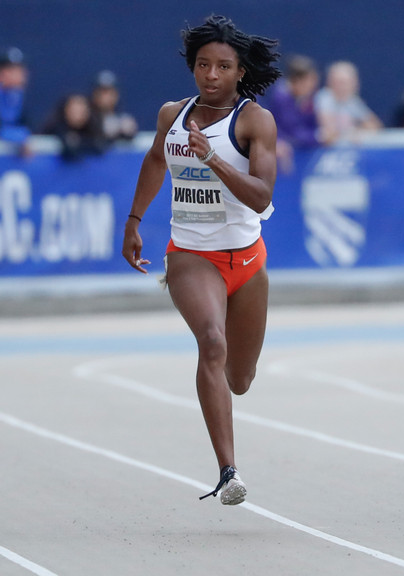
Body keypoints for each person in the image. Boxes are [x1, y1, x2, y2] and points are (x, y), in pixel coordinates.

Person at [122, 14, 280, 506]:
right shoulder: (172, 114)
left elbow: (260, 197)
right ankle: (228, 471)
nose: (211, 75)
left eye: (223, 66)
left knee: (241, 379)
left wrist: (210, 157)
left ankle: (231, 388)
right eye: (203, 64)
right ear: (193, 67)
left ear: (239, 72)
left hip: (248, 260)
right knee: (211, 343)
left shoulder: (254, 120)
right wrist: (134, 220)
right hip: (191, 255)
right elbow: (154, 160)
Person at [263, 54, 321, 172]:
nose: (313, 86)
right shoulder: (280, 97)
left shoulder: (307, 99)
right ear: (297, 81)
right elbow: (292, 133)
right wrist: (318, 137)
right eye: (310, 81)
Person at [315, 60, 382, 145]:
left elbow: (374, 125)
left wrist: (359, 132)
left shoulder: (352, 101)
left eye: (347, 82)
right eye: (340, 82)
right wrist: (351, 133)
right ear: (330, 82)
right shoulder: (324, 98)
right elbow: (330, 132)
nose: (344, 87)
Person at [42, 92, 107, 162]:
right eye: (74, 110)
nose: (78, 115)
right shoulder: (55, 126)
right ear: (66, 110)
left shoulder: (92, 127)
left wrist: (80, 141)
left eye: (81, 111)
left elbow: (99, 146)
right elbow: (69, 149)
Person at [89, 70, 138, 144]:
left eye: (110, 92)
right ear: (95, 94)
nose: (106, 97)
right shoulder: (87, 120)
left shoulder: (123, 119)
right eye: (103, 92)